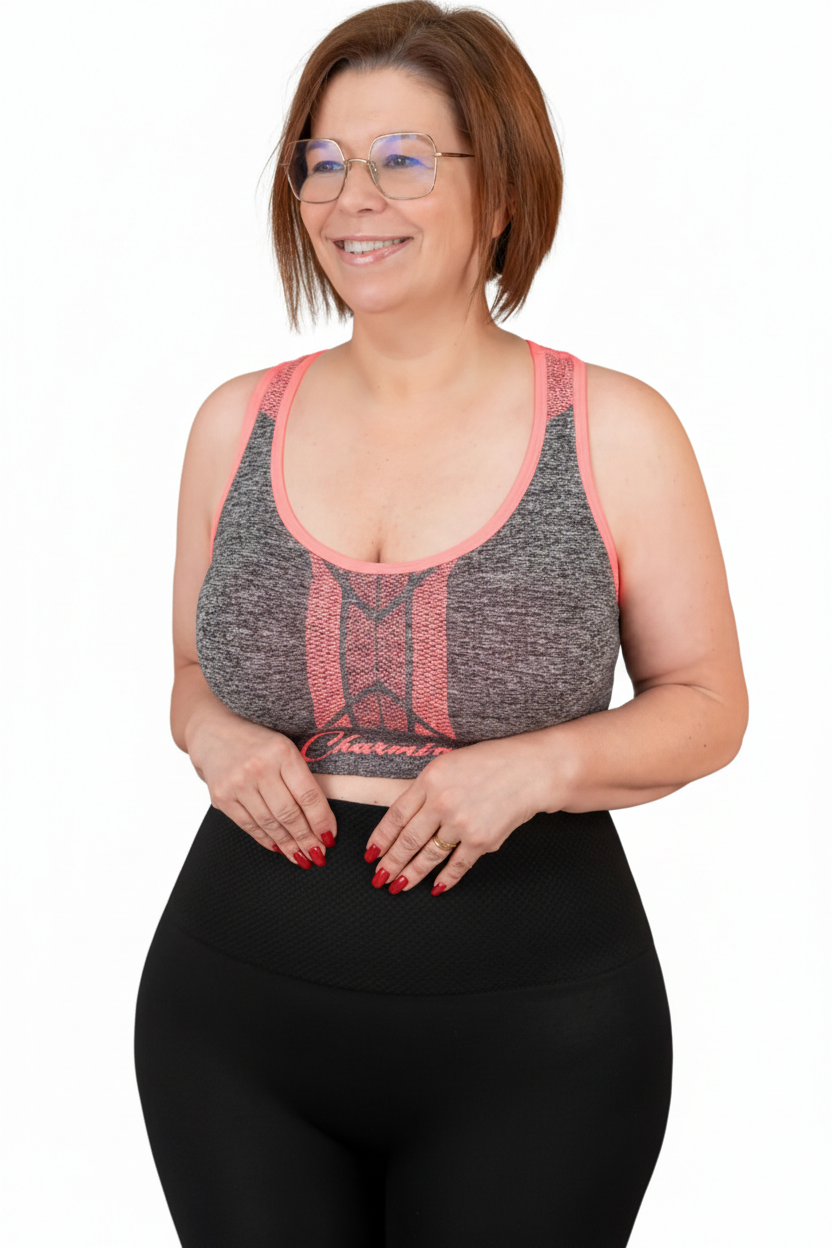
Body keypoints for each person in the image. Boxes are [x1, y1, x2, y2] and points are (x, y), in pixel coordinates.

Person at [133, 2, 748, 1244]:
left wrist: (536, 768)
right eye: (321, 161)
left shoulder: (617, 429)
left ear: (502, 190)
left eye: (402, 159)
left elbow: (708, 708)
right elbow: (192, 671)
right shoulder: (231, 423)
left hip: (539, 1039)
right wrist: (214, 738)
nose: (349, 198)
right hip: (230, 1022)